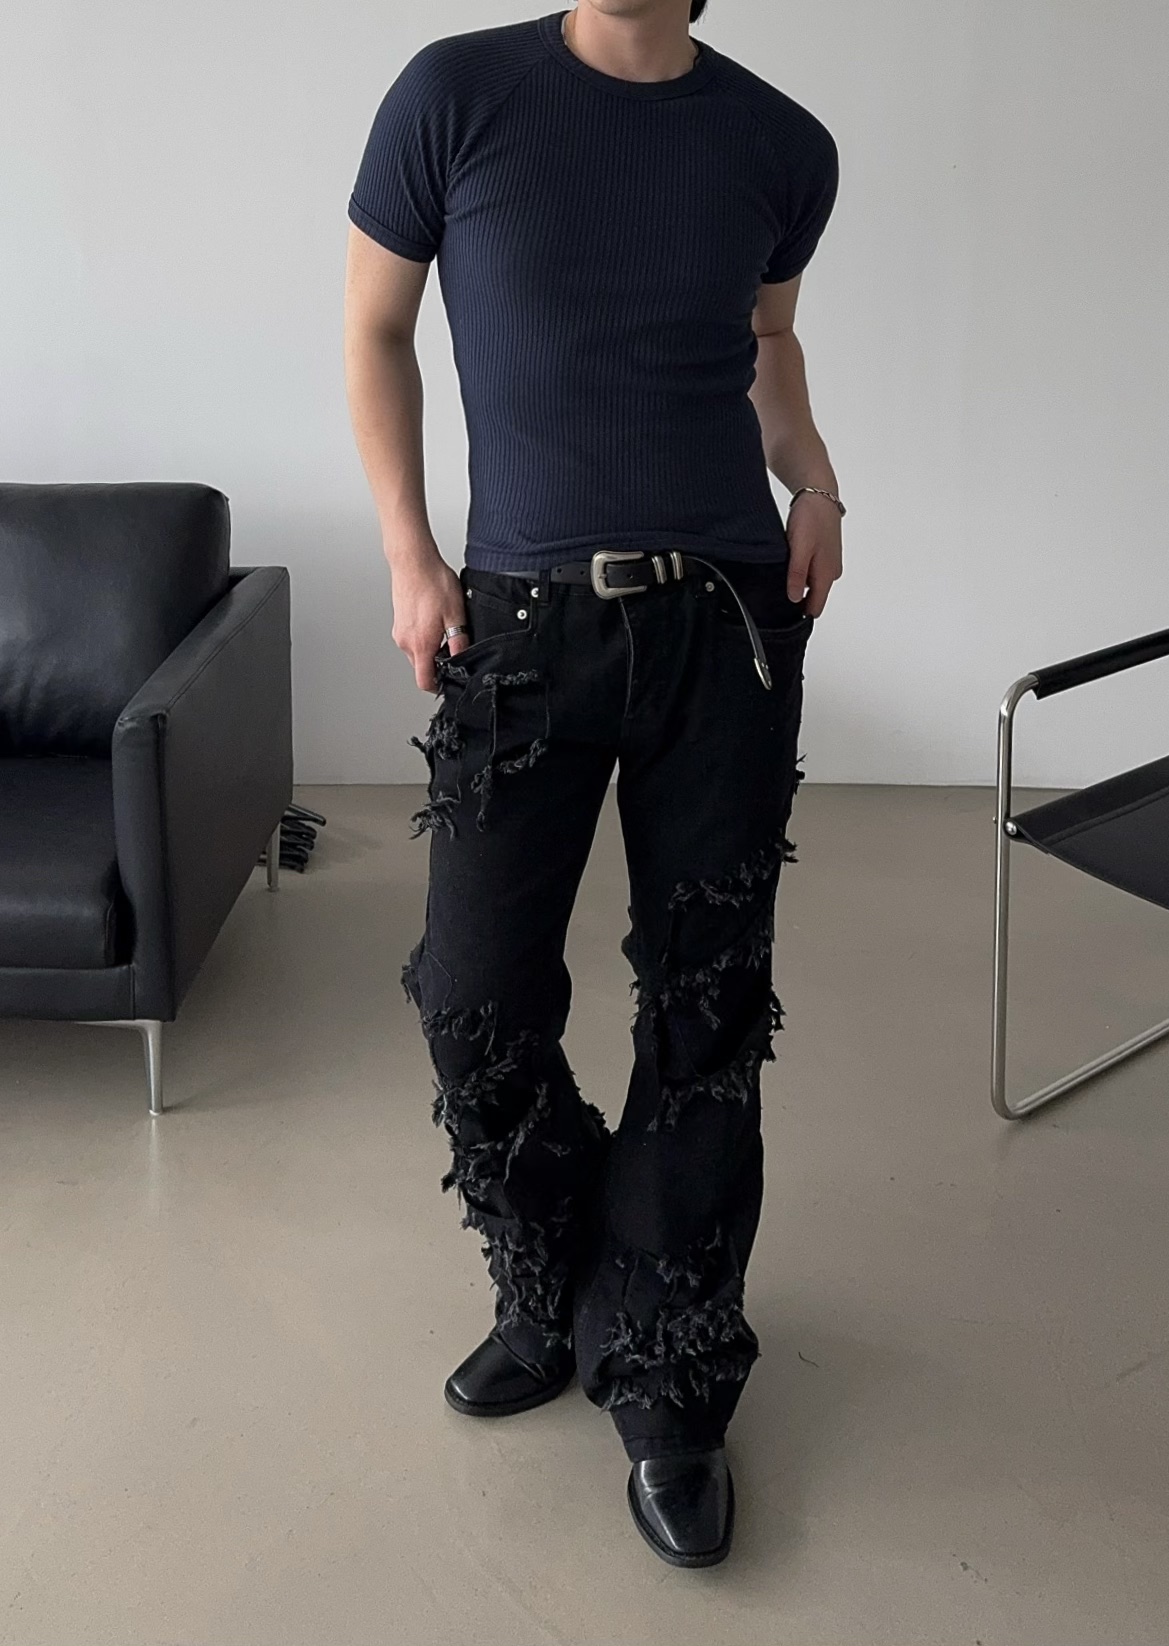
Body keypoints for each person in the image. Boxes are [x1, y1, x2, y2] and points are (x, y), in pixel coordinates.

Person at [343, 0, 842, 1568]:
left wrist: (814, 479)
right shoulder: (454, 97)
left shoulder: (779, 143)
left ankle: (672, 1371)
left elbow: (766, 345)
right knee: (472, 996)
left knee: (706, 1011)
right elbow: (373, 329)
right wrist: (411, 552)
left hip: (726, 627)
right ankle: (558, 1276)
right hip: (517, 628)